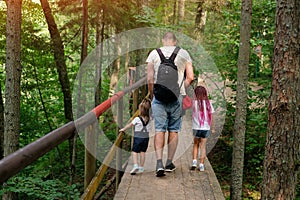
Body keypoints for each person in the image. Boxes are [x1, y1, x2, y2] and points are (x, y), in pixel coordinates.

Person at [146, 32, 194, 177]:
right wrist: (181, 89)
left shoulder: (154, 53)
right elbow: (190, 77)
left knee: (159, 129)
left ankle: (159, 162)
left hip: (159, 97)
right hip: (176, 97)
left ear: (163, 41)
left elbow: (149, 78)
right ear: (175, 41)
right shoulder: (184, 53)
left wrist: (153, 93)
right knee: (173, 129)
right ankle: (169, 162)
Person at [119, 98, 151, 175]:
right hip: (146, 137)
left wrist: (123, 129)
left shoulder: (137, 119)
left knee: (134, 151)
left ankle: (135, 165)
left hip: (138, 137)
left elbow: (130, 125)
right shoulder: (150, 119)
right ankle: (141, 167)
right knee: (143, 152)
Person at [190, 86, 215, 171]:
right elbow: (211, 117)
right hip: (205, 128)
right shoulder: (208, 103)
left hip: (196, 128)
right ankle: (201, 165)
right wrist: (212, 128)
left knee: (196, 145)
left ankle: (194, 161)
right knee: (203, 146)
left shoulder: (194, 103)